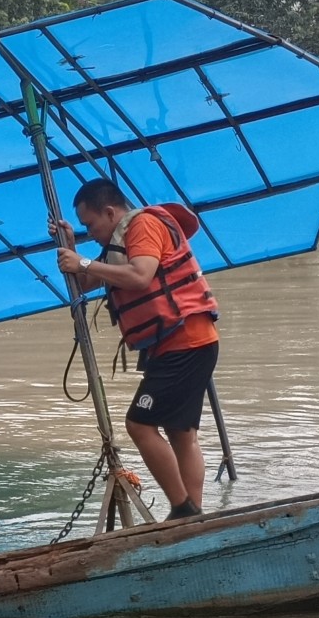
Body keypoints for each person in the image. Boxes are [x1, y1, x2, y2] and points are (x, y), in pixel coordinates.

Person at [51, 178, 219, 521]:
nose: (90, 233)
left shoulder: (143, 225)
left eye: (90, 225)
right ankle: (193, 515)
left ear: (110, 212)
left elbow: (141, 276)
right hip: (177, 343)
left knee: (139, 424)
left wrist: (82, 262)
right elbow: (89, 280)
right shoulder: (118, 241)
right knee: (180, 432)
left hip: (186, 341)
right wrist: (71, 248)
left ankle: (183, 509)